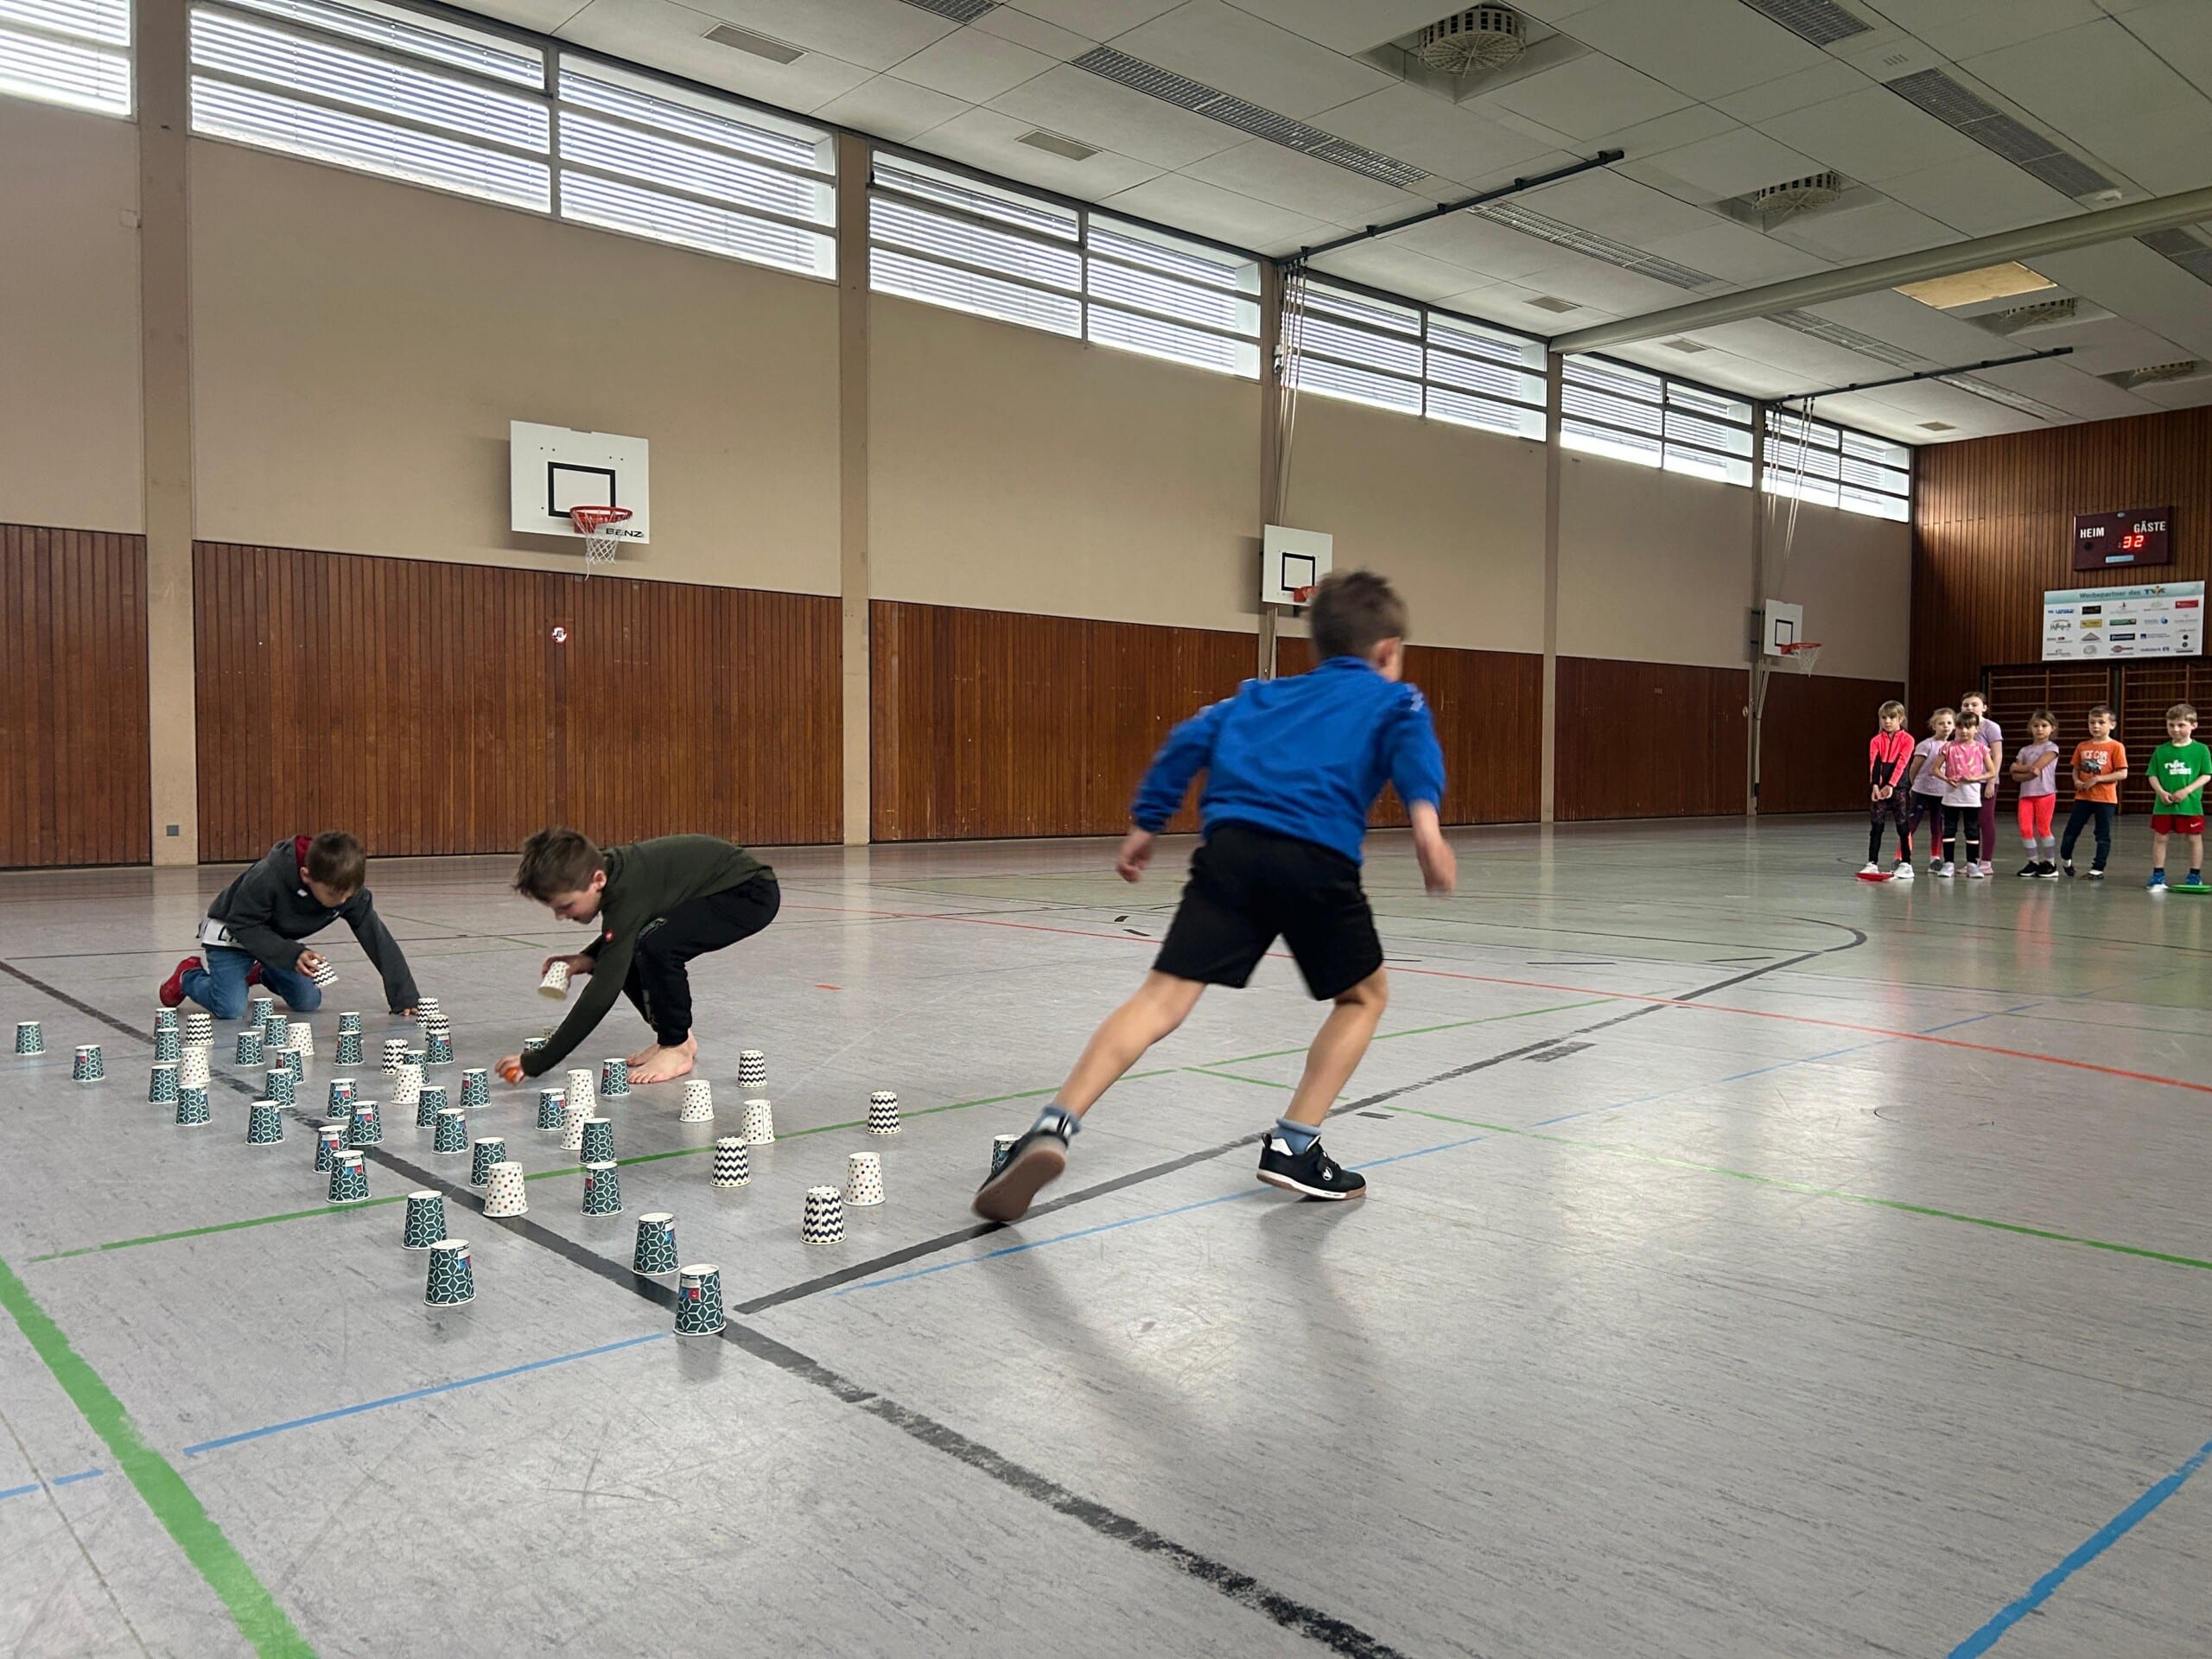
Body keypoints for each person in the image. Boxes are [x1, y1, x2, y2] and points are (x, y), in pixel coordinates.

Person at [972, 569, 1455, 1224]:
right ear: (1388, 650)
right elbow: (1413, 749)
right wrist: (1427, 827)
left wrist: (1146, 824)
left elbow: (1187, 742)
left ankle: (1052, 1126)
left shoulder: (1255, 698)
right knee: (1363, 997)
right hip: (1316, 861)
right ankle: (1294, 1144)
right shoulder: (1396, 700)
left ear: (1318, 645)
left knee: (1159, 1001)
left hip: (1231, 855)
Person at [495, 829, 779, 1088]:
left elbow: (602, 993)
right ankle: (675, 1036)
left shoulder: (624, 890)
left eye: (566, 906)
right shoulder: (612, 874)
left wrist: (538, 1061)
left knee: (657, 947)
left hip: (748, 892)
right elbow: (621, 937)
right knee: (637, 947)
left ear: (597, 880)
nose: (561, 916)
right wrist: (584, 959)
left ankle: (676, 1047)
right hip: (715, 888)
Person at [158, 831, 418, 1018]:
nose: (342, 901)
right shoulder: (267, 877)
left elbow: (377, 939)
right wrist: (292, 954)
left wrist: (404, 996)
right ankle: (188, 976)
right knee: (231, 1009)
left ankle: (259, 972)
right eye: (333, 894)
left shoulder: (347, 893)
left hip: (274, 943)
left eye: (348, 895)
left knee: (308, 1001)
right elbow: (243, 924)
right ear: (306, 875)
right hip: (233, 934)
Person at [2059, 704, 2127, 880]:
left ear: (2112, 725)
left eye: (2101, 722)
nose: (2096, 726)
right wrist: (2077, 781)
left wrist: (2098, 779)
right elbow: (2076, 768)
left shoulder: (2116, 747)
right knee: (2071, 831)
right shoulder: (2082, 746)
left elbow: (2122, 773)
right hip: (2083, 797)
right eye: (2092, 722)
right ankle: (2066, 858)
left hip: (2105, 799)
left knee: (2102, 834)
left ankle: (2098, 868)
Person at [2145, 702, 2209, 891]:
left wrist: (2187, 791)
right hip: (2164, 805)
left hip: (2190, 805)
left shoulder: (2201, 750)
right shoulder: (2161, 750)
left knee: (2194, 838)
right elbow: (2152, 775)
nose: (2175, 729)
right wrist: (2161, 792)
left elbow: (2206, 774)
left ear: (2193, 725)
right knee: (2160, 838)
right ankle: (2158, 875)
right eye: (2171, 725)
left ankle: (2195, 875)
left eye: (2181, 725)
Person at [1936, 710, 1994, 878]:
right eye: (1960, 727)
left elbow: (1992, 771)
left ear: (1977, 729)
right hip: (1951, 797)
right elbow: (1935, 769)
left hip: (1971, 797)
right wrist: (1947, 779)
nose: (1964, 731)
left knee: (1972, 830)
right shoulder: (1948, 747)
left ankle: (1972, 864)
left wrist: (1975, 777)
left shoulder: (1982, 749)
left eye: (1969, 727)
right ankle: (1948, 863)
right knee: (1949, 829)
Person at [1863, 699, 1915, 878]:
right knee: (1876, 826)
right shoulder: (1876, 740)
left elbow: (1902, 763)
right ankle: (1872, 862)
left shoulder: (1908, 740)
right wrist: (1875, 786)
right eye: (1884, 718)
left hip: (1898, 788)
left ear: (1901, 719)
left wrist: (1891, 785)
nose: (1887, 721)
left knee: (1902, 825)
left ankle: (1906, 863)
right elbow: (1875, 764)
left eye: (1892, 718)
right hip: (1880, 789)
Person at [2009, 710, 2061, 878]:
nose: (2039, 729)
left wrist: (2019, 768)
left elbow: (2037, 767)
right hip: (2026, 795)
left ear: (2052, 728)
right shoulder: (2024, 750)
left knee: (2043, 828)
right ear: (2030, 728)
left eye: (2044, 726)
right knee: (2025, 828)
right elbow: (2016, 775)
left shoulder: (2051, 748)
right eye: (2036, 726)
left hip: (2045, 794)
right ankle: (2033, 862)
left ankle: (2050, 863)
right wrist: (2026, 770)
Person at [1903, 708, 1954, 875]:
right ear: (1934, 726)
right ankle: (1901, 856)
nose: (1945, 726)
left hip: (1941, 793)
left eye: (1949, 723)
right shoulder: (1926, 745)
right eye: (1941, 723)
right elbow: (1914, 768)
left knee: (1937, 826)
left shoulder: (1954, 747)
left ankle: (1935, 859)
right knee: (1912, 824)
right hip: (1922, 791)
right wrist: (1913, 785)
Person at [1959, 690, 2003, 878]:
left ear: (1984, 708)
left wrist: (1992, 780)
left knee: (1985, 820)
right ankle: (1972, 861)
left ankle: (1986, 862)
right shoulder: (1961, 726)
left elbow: (1997, 755)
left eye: (1974, 704)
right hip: (1968, 781)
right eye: (1966, 705)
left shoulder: (1991, 727)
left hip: (1985, 780)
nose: (1970, 708)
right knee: (1971, 822)